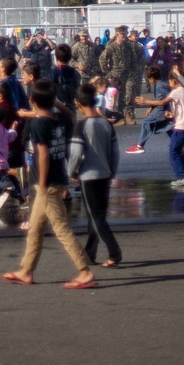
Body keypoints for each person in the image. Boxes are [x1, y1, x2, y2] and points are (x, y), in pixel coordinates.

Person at [1, 79, 96, 290]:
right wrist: (57, 102)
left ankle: (85, 271)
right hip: (57, 178)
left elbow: (42, 152)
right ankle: (26, 270)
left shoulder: (38, 124)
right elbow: (71, 115)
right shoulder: (60, 119)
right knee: (35, 228)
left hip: (47, 183)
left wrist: (41, 183)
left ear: (32, 100)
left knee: (61, 228)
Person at [70, 84, 121, 267]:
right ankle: (89, 253)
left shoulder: (82, 126)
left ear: (78, 103)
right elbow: (115, 152)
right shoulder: (106, 123)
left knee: (96, 216)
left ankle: (114, 253)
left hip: (89, 176)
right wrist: (112, 171)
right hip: (105, 174)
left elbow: (76, 153)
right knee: (96, 215)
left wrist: (72, 171)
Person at [136, 70, 184, 188]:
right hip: (183, 125)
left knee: (174, 152)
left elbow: (163, 102)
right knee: (177, 150)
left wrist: (146, 101)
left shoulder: (177, 91)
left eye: (169, 81)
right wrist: (172, 114)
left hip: (181, 127)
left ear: (173, 81)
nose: (169, 84)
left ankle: (182, 176)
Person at [127, 66, 169, 154]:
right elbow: (159, 99)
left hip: (163, 110)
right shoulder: (161, 84)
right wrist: (151, 107)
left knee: (146, 122)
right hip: (163, 109)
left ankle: (140, 146)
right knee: (170, 127)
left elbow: (162, 102)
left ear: (152, 78)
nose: (149, 81)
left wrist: (145, 101)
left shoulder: (160, 86)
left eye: (149, 79)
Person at [99, 28, 136, 125]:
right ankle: (118, 117)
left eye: (125, 35)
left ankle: (128, 115)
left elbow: (133, 59)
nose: (124, 37)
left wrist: (133, 70)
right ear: (117, 35)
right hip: (116, 75)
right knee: (117, 96)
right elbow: (102, 59)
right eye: (122, 35)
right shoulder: (111, 47)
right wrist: (108, 73)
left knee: (129, 94)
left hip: (128, 74)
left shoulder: (128, 47)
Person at [52, 43, 81, 114]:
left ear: (56, 57)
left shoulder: (54, 72)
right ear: (70, 58)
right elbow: (77, 90)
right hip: (71, 109)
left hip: (57, 109)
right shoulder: (76, 73)